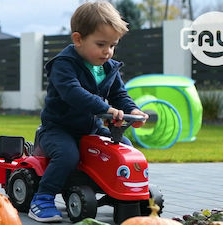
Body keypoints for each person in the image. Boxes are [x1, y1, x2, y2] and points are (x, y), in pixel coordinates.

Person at [28, 1, 149, 222]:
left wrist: (133, 110)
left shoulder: (108, 68)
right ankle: (42, 198)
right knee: (68, 155)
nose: (108, 51)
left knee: (124, 149)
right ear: (78, 39)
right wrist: (106, 109)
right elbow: (73, 93)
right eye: (101, 44)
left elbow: (119, 95)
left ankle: (123, 194)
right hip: (58, 129)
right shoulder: (63, 65)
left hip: (90, 128)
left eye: (113, 45)